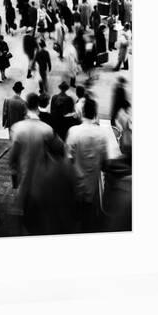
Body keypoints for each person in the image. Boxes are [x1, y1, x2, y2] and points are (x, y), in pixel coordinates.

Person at [9, 93, 71, 234]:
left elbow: (12, 159)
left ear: (26, 106)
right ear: (37, 107)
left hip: (23, 179)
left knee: (25, 217)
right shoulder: (46, 129)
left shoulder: (17, 129)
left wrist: (14, 175)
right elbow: (61, 148)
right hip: (42, 181)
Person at [66, 98, 108, 232]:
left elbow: (68, 158)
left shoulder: (74, 131)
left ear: (82, 112)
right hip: (92, 184)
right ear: (95, 113)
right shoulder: (101, 134)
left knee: (75, 214)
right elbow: (105, 163)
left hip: (76, 181)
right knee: (88, 215)